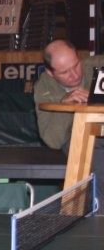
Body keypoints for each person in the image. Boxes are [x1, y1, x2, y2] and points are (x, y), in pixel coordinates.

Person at [33, 39, 104, 207]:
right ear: (50, 73)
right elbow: (53, 140)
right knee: (94, 153)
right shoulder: (44, 87)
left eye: (76, 65)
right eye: (64, 72)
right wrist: (65, 103)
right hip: (77, 137)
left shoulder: (96, 66)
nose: (74, 74)